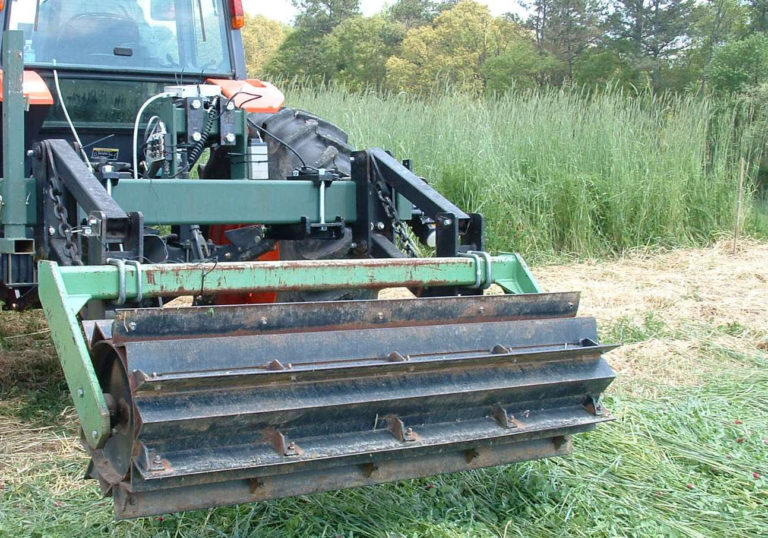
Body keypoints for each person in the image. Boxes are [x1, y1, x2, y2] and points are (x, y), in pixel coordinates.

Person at [34, 0, 179, 67]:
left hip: (61, 81)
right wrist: (165, 65)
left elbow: (41, 53)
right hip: (128, 82)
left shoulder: (55, 5)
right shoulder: (130, 6)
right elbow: (149, 51)